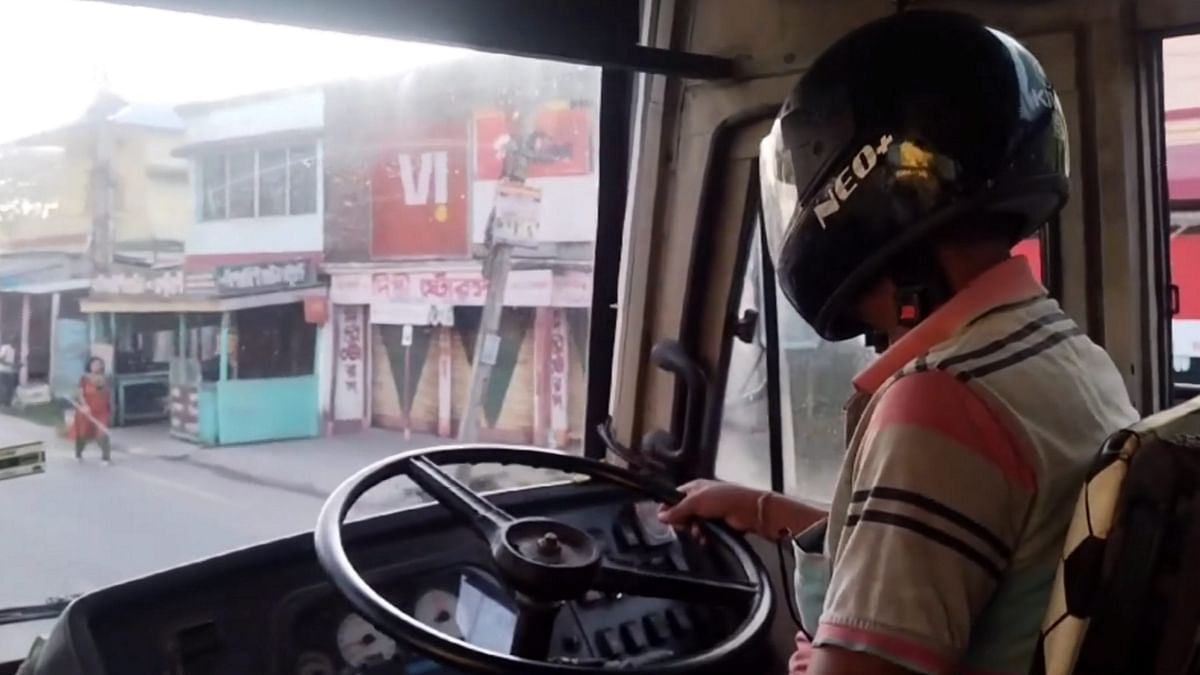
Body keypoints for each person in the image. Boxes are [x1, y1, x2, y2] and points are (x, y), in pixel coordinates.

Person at [658, 10, 1139, 675]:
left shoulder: (942, 404)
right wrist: (760, 507)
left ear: (854, 187)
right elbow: (949, 535)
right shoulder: (1061, 353)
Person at [73, 356, 113, 464]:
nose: (97, 366)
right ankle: (78, 453)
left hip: (102, 411)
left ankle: (106, 458)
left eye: (99, 364)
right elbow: (80, 393)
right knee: (82, 435)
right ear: (89, 366)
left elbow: (107, 394)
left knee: (102, 434)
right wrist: (84, 406)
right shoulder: (84, 378)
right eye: (94, 364)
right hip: (86, 411)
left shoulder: (106, 378)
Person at [0, 341, 16, 407]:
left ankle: (8, 403)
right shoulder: (5, 348)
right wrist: (10, 364)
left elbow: (11, 361)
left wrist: (15, 365)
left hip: (10, 371)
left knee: (10, 388)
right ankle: (2, 403)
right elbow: (1, 360)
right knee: (3, 388)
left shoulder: (13, 349)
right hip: (2, 371)